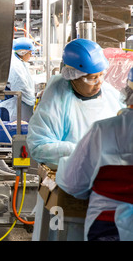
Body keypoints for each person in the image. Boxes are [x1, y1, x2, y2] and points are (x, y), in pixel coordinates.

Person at [27, 38, 124, 241]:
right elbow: (39, 146)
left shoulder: (109, 94)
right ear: (73, 75)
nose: (98, 82)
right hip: (70, 192)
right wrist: (83, 151)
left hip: (106, 189)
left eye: (101, 76)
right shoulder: (58, 98)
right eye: (91, 78)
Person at [55, 67, 133, 241]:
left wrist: (62, 164)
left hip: (108, 225)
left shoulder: (103, 130)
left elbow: (74, 183)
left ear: (128, 92)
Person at [0, 37, 37, 122]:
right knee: (10, 132)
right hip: (12, 108)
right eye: (30, 53)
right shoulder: (15, 65)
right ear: (23, 53)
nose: (31, 55)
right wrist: (33, 101)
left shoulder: (19, 62)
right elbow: (20, 87)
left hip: (16, 106)